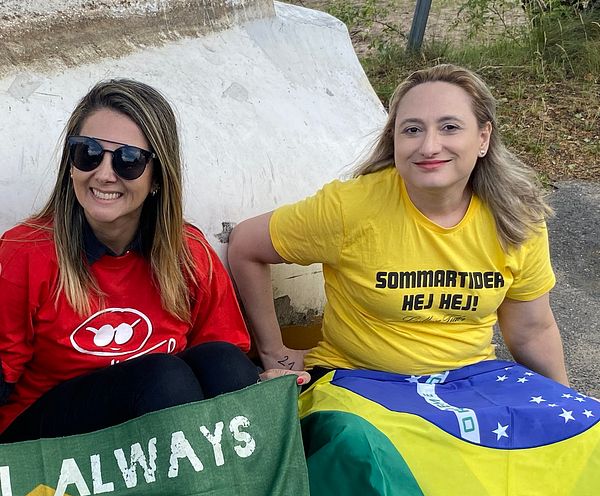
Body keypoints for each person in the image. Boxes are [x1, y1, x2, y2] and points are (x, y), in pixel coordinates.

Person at [227, 63, 568, 386]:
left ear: (483, 138)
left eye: (449, 127)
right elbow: (246, 245)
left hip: (466, 387)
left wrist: (571, 413)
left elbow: (531, 331)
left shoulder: (515, 216)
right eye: (412, 130)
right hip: (359, 386)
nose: (429, 146)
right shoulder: (352, 207)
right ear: (394, 139)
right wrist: (274, 353)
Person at [0, 79, 277, 443]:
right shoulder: (25, 251)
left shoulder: (188, 252)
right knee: (164, 379)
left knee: (223, 364)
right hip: (48, 440)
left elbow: (223, 361)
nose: (103, 173)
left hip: (156, 427)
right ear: (71, 165)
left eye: (129, 160)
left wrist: (258, 387)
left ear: (157, 178)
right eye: (88, 153)